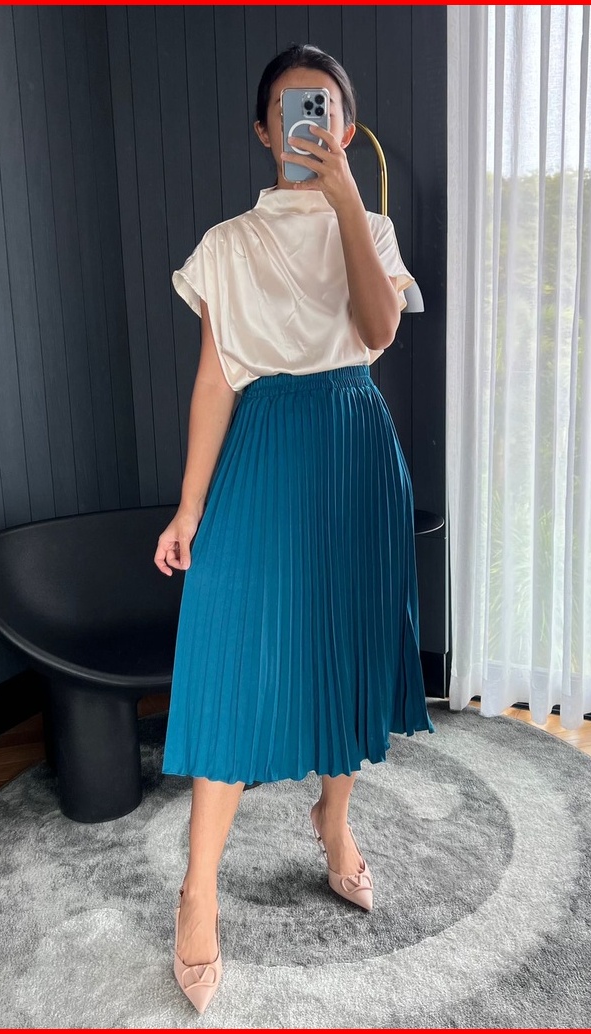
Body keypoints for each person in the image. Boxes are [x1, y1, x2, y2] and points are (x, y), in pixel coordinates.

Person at [152, 43, 435, 1015]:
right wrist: (190, 505)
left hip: (355, 448)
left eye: (324, 108)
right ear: (263, 129)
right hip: (266, 447)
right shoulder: (228, 244)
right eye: (289, 108)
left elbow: (379, 329)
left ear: (345, 128)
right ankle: (197, 890)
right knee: (231, 660)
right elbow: (214, 380)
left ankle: (334, 820)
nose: (307, 122)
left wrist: (347, 200)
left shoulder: (374, 226)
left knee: (342, 649)